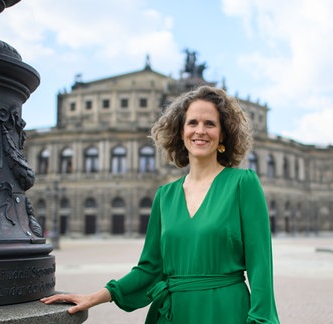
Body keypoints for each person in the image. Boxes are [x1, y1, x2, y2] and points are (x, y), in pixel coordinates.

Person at [41, 85, 280, 324]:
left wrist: (260, 320)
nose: (200, 131)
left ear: (223, 134)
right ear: (180, 131)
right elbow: (150, 269)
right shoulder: (165, 195)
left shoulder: (243, 184)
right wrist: (97, 296)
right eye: (192, 123)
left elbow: (260, 267)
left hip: (225, 311)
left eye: (210, 124)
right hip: (175, 313)